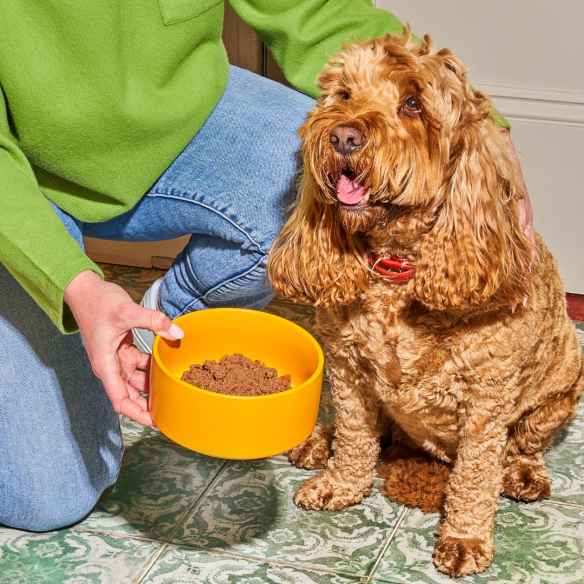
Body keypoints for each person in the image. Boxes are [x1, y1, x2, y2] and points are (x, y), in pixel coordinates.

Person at [0, 0, 533, 532]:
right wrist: (73, 282)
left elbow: (316, 8)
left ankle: (155, 327)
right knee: (52, 497)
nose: (350, 134)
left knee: (293, 174)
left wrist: (487, 136)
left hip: (183, 122)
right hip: (13, 179)